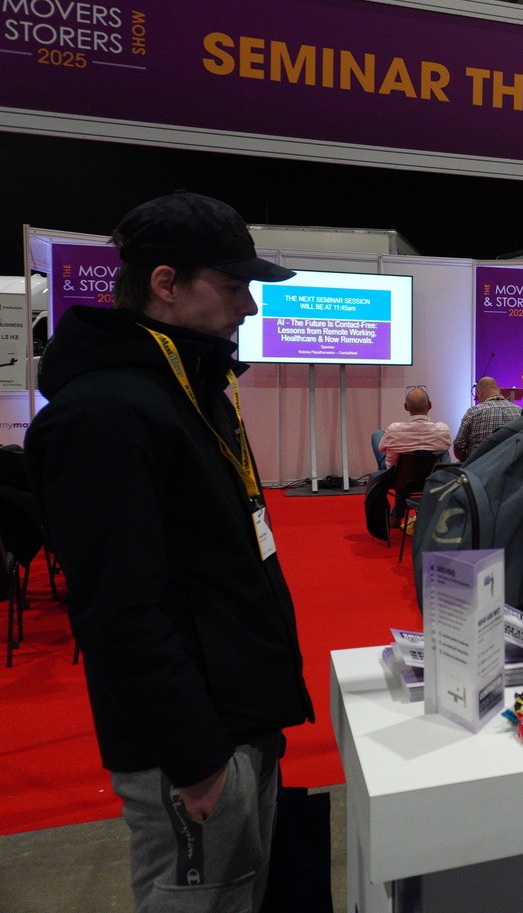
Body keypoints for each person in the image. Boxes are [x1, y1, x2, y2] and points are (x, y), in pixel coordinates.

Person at [25, 190, 315, 912]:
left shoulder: (189, 388)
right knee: (202, 897)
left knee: (240, 890)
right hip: (195, 742)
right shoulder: (106, 415)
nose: (249, 306)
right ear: (165, 284)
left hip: (238, 714)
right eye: (233, 285)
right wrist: (194, 756)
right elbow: (119, 608)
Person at [378, 386, 451, 467]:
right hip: (432, 476)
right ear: (430, 405)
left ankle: (382, 477)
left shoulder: (393, 430)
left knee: (377, 435)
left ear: (406, 407)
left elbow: (381, 448)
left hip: (397, 477)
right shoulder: (443, 430)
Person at [453, 375, 520, 460]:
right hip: (511, 468)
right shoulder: (520, 411)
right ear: (499, 391)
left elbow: (459, 447)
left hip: (478, 469)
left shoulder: (473, 412)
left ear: (479, 393)